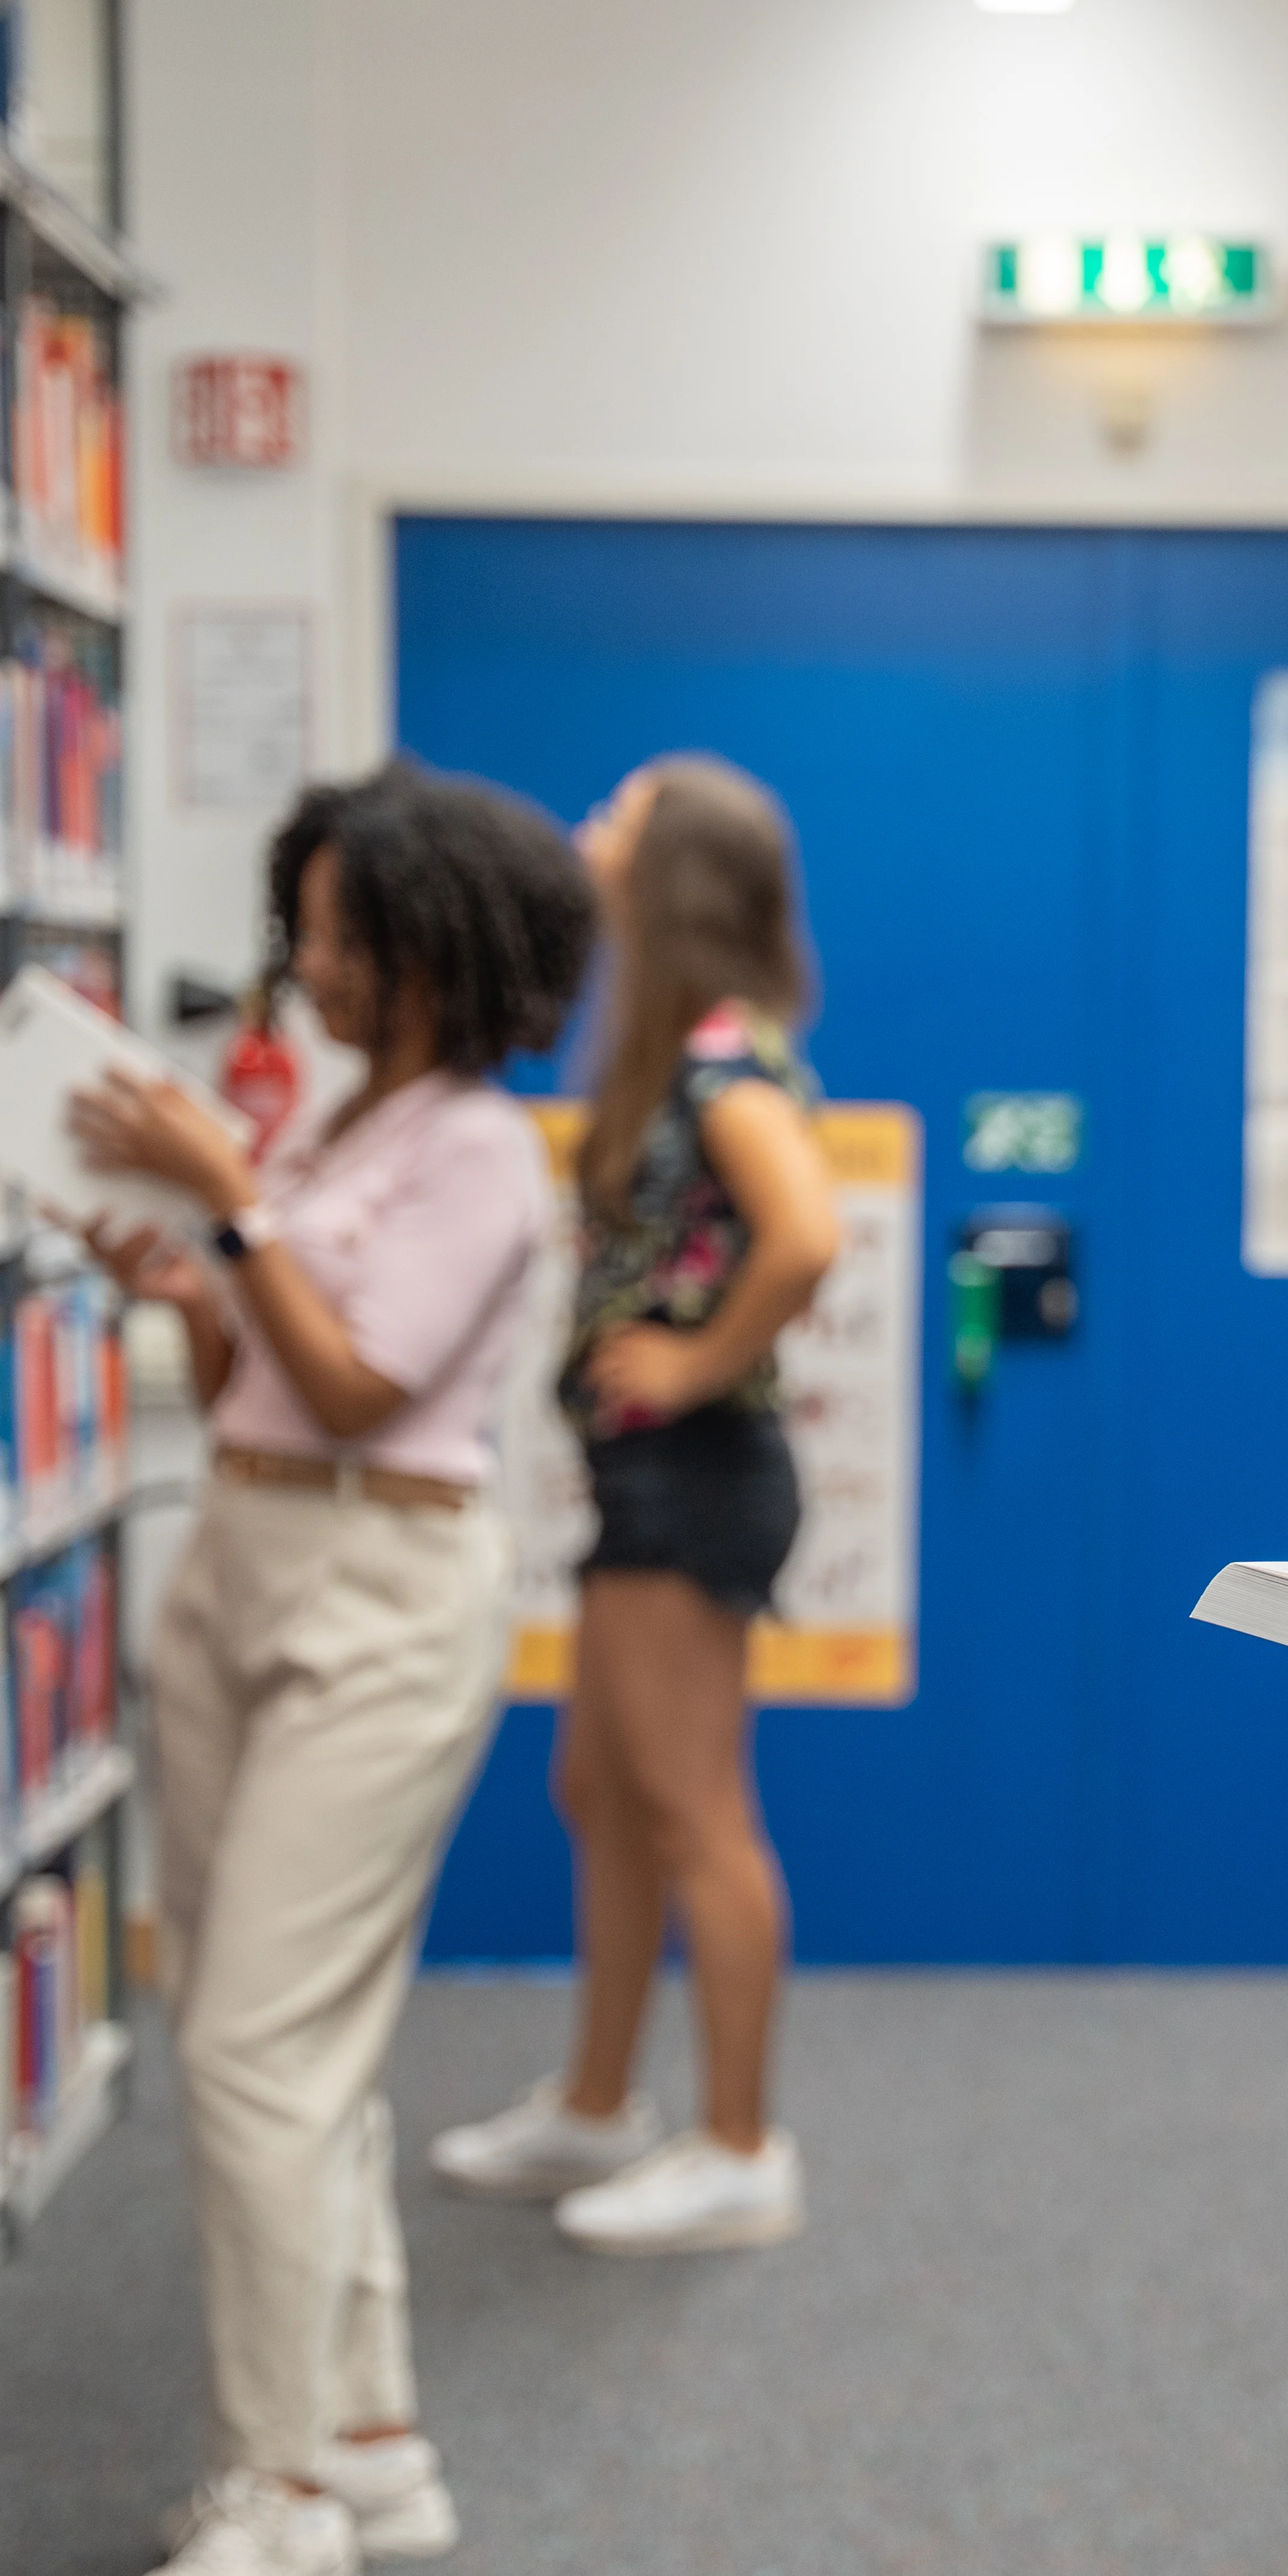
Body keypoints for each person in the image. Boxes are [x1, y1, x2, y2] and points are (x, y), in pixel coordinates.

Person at [69, 760, 595, 2576]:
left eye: (340, 930)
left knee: (247, 2052)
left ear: (437, 946)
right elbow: (256, 1377)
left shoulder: (478, 1147)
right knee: (292, 2043)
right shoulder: (344, 1122)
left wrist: (234, 1207)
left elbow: (368, 1386)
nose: (307, 963)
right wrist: (186, 1255)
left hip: (380, 1582)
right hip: (248, 1557)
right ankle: (366, 2431)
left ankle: (277, 2503)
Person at [427, 755, 840, 2256]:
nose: (589, 825)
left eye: (622, 811)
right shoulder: (682, 1045)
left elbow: (803, 1234)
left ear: (674, 873)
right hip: (648, 1482)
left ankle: (740, 2142)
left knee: (695, 1812)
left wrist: (692, 1361)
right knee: (599, 1791)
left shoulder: (724, 1058)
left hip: (694, 1477)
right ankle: (600, 2100)